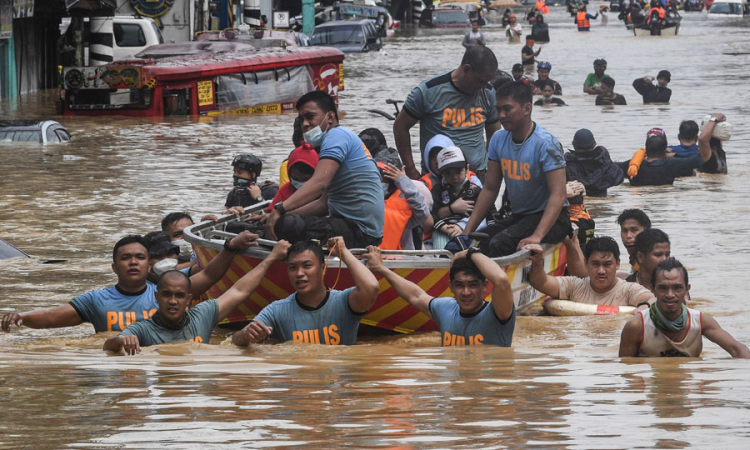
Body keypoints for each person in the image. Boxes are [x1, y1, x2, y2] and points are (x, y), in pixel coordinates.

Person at [1, 232, 258, 334]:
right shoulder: (96, 300)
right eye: (125, 258)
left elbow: (211, 276)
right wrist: (20, 317)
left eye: (139, 258)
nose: (133, 263)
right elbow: (52, 317)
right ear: (115, 267)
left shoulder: (168, 294)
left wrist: (229, 247)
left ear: (149, 265)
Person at [103, 241, 291, 354]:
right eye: (167, 295)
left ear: (189, 299)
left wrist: (271, 258)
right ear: (157, 297)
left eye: (180, 296)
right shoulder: (142, 329)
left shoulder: (203, 314)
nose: (173, 301)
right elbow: (108, 346)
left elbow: (239, 291)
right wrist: (120, 341)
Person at [462, 81, 570, 257]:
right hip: (520, 215)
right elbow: (490, 188)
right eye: (498, 110)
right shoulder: (498, 139)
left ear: (527, 108)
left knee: (500, 243)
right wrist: (466, 232)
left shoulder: (546, 143)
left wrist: (538, 235)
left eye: (507, 109)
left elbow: (558, 195)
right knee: (481, 240)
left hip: (554, 219)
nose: (501, 115)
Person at [263, 91, 384, 248]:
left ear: (330, 117)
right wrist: (276, 215)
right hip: (353, 227)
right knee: (281, 221)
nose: (305, 124)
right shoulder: (333, 141)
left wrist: (280, 209)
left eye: (310, 117)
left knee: (288, 225)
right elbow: (323, 204)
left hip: (361, 232)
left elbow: (319, 183)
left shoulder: (336, 136)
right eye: (302, 119)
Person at [231, 237, 380, 346]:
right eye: (293, 268)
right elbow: (234, 340)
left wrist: (344, 253)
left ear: (323, 268)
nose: (299, 273)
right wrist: (246, 335)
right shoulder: (277, 310)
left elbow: (371, 287)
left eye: (307, 266)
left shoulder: (344, 301)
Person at [365, 246, 515, 346]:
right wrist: (381, 269)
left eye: (473, 285)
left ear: (484, 286)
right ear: (451, 287)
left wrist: (471, 252)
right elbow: (415, 296)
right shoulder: (446, 309)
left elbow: (501, 280)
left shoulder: (498, 313)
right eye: (459, 285)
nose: (466, 292)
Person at [394, 46, 501, 182]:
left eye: (487, 82)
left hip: (477, 177)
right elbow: (400, 127)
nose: (483, 86)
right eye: (481, 81)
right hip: (438, 178)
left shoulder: (488, 94)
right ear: (466, 70)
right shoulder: (428, 91)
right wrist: (411, 170)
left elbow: (495, 133)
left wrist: (490, 167)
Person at [619, 258, 750, 358]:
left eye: (677, 288)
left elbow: (738, 350)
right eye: (663, 288)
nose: (670, 295)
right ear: (652, 288)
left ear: (687, 290)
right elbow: (627, 372)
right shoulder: (636, 326)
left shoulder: (701, 321)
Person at [526, 236, 654, 307]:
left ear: (618, 264)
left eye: (607, 264)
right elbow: (540, 282)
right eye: (595, 264)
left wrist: (643, 308)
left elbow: (652, 299)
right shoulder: (574, 285)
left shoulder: (628, 290)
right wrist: (537, 261)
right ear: (586, 263)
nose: (601, 271)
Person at [430, 147, 494, 250]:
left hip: (471, 228)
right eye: (448, 173)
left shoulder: (476, 189)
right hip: (444, 229)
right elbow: (432, 212)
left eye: (458, 171)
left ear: (467, 169)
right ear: (441, 173)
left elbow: (489, 211)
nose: (454, 177)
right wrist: (444, 228)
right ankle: (441, 263)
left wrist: (462, 226)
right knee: (441, 251)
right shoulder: (437, 190)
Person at [620, 123, 715, 186]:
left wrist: (638, 158)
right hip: (664, 198)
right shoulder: (671, 164)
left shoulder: (632, 166)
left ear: (646, 149)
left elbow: (611, 167)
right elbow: (700, 159)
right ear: (664, 149)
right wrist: (675, 155)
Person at [375, 152, 430, 250]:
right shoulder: (366, 198)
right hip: (372, 255)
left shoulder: (407, 199)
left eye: (387, 177)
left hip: (401, 257)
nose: (382, 181)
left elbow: (423, 212)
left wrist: (403, 181)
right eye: (379, 176)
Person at [565, 129, 624, 197]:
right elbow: (619, 178)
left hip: (578, 204)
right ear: (594, 144)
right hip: (603, 203)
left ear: (573, 145)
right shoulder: (604, 161)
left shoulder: (567, 163)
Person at [266, 143, 319, 213]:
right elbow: (270, 212)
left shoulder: (322, 191)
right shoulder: (285, 190)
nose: (300, 183)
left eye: (304, 180)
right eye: (295, 179)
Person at [617, 208, 651, 274]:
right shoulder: (635, 259)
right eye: (624, 231)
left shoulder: (650, 262)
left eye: (634, 230)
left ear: (646, 231)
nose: (628, 236)